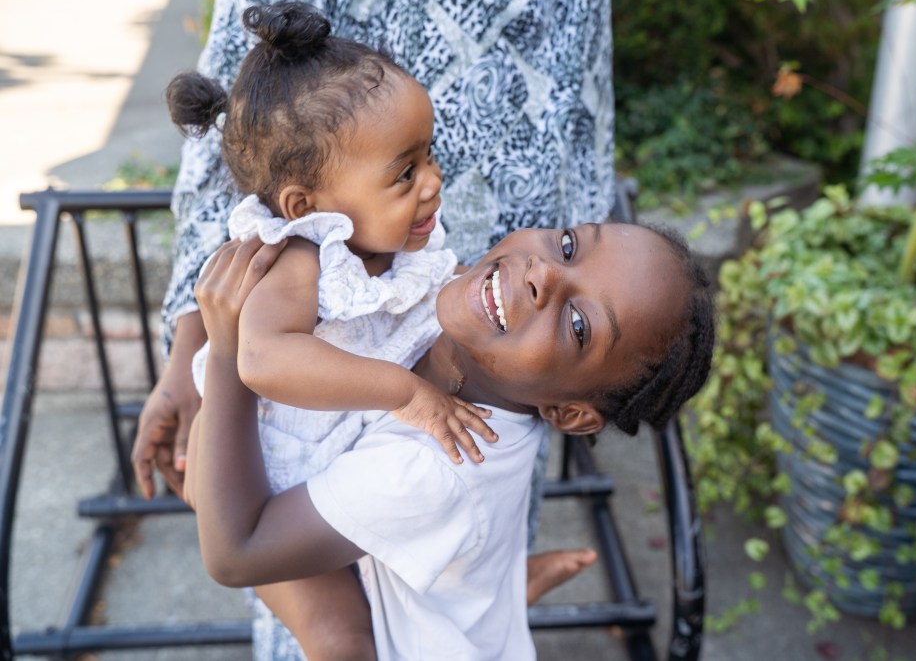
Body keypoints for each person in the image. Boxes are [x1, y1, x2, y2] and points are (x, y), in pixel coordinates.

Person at [188, 220, 715, 661]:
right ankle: (493, 593)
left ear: (568, 413)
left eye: (578, 325)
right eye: (570, 246)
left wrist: (228, 355)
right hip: (460, 543)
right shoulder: (485, 333)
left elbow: (237, 552)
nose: (544, 273)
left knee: (338, 641)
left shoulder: (433, 469)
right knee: (470, 573)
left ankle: (477, 606)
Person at [166, 1, 516, 659]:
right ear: (307, 204)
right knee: (342, 637)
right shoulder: (299, 258)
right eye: (405, 172)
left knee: (414, 597)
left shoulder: (393, 240)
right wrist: (406, 393)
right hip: (265, 482)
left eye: (428, 155)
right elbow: (263, 359)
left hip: (340, 467)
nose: (434, 183)